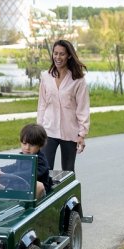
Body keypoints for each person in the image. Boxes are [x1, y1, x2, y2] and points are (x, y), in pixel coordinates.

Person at [37, 39, 90, 172]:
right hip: (48, 130)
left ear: (69, 56)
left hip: (70, 132)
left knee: (68, 171)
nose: (58, 57)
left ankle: (70, 193)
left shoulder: (78, 80)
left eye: (62, 54)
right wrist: (39, 129)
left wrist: (82, 134)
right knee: (44, 170)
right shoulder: (46, 76)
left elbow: (82, 108)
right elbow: (42, 104)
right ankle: (46, 193)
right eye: (55, 53)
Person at [0, 123, 52, 199]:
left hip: (38, 193)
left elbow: (30, 174)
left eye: (32, 145)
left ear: (40, 145)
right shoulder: (22, 156)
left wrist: (6, 175)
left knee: (38, 185)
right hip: (22, 186)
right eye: (24, 144)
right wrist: (0, 169)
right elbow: (15, 166)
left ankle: (31, 208)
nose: (27, 148)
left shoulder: (41, 161)